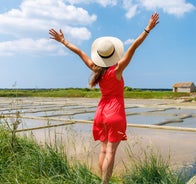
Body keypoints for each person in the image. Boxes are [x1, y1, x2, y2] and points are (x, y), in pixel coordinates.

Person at [49, 12, 159, 184]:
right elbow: (134, 47)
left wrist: (63, 41)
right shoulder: (117, 70)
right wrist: (148, 29)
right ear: (114, 54)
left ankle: (102, 180)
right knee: (111, 152)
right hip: (115, 113)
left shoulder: (95, 68)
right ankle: (104, 183)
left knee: (102, 151)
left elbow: (79, 52)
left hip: (101, 113)